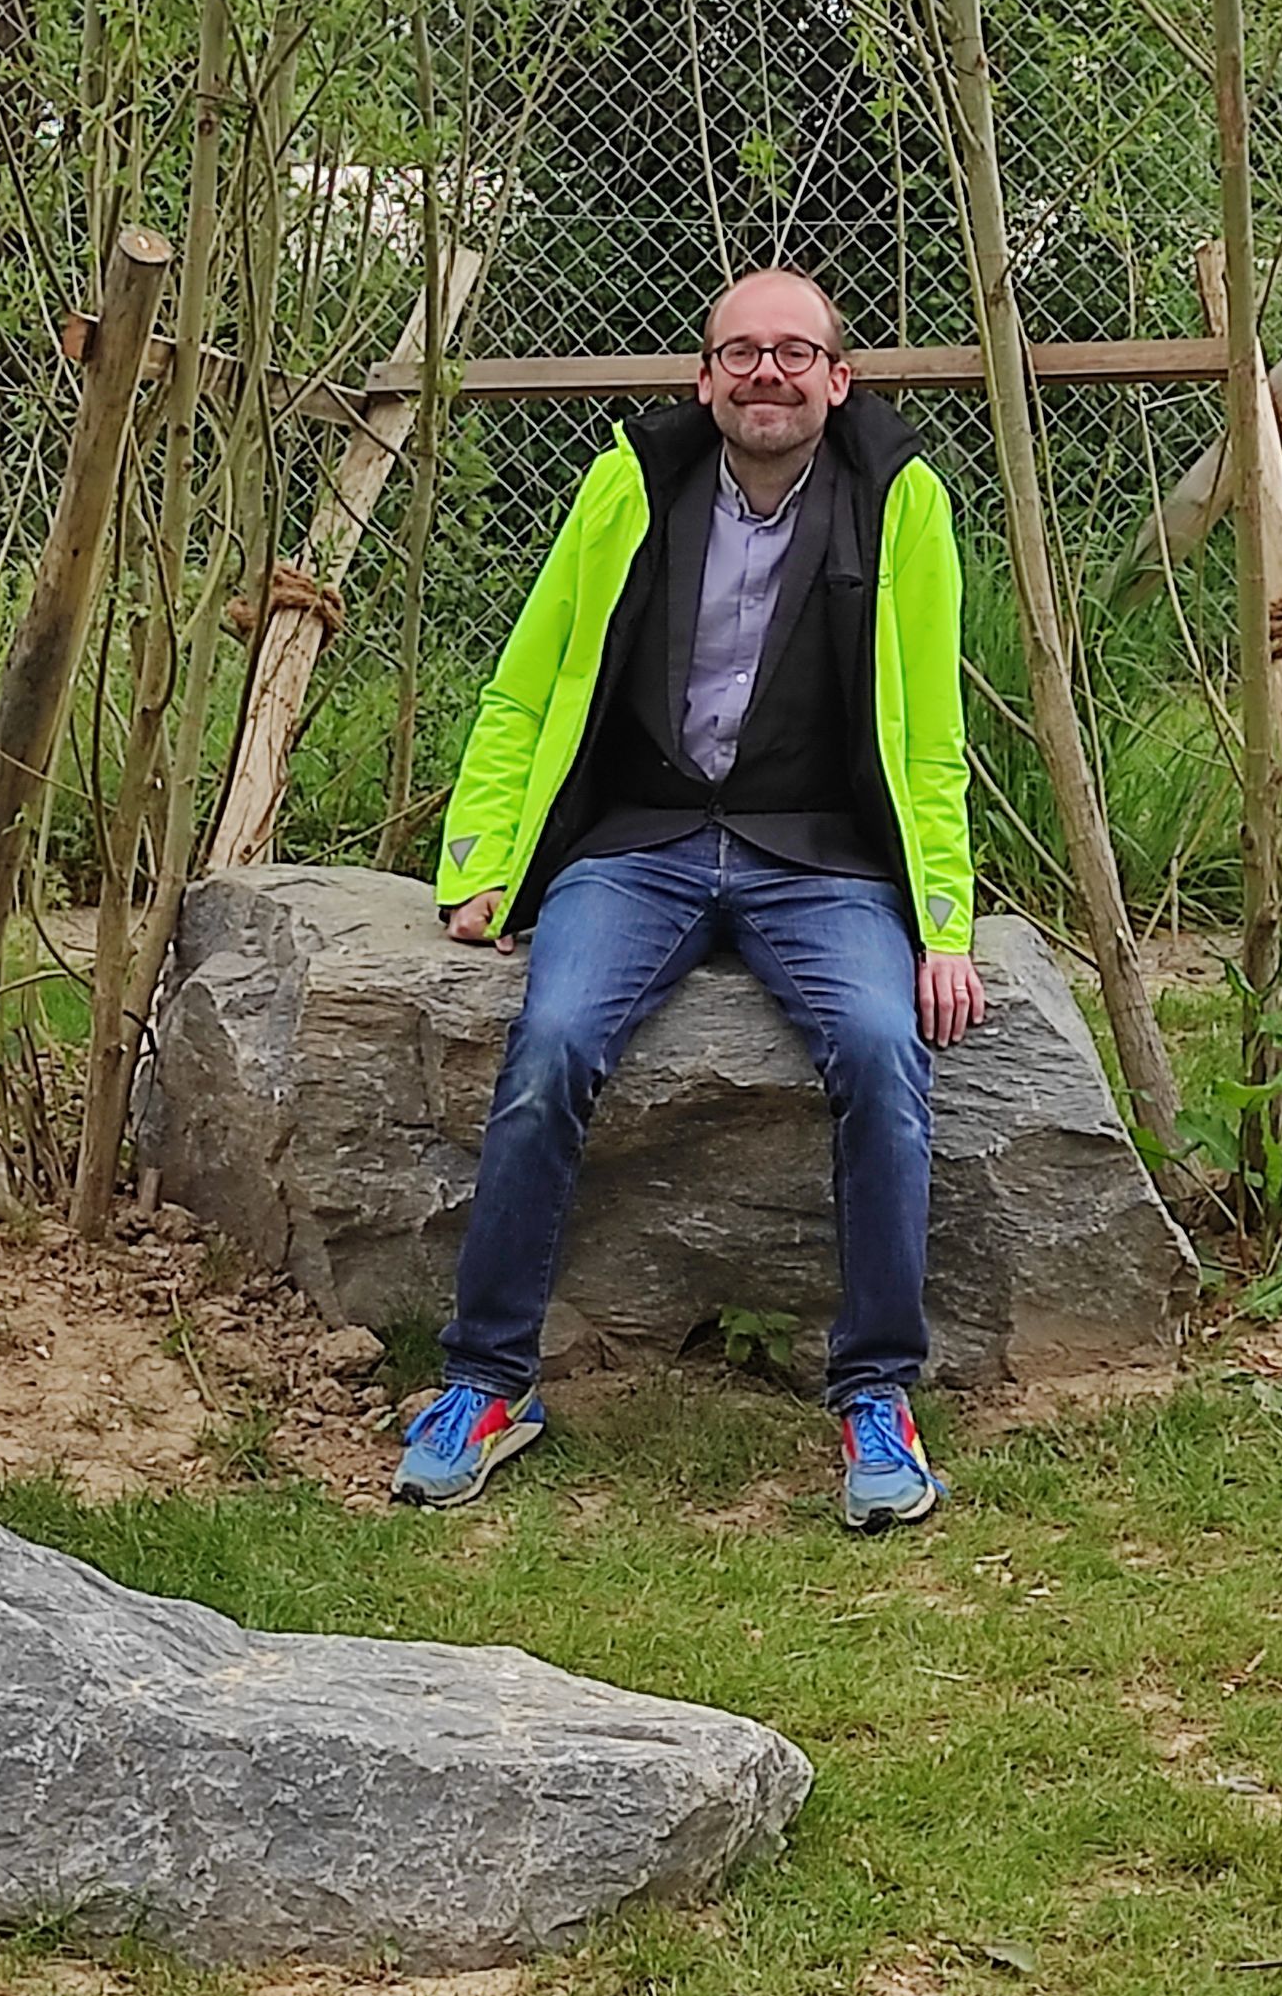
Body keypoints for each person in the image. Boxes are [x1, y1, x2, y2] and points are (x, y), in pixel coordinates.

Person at [393, 266, 984, 1530]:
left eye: (795, 352)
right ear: (704, 377)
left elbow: (930, 735)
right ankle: (488, 1382)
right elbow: (524, 685)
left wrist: (942, 926)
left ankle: (877, 1394)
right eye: (741, 352)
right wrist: (480, 862)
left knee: (884, 1048)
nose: (767, 373)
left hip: (819, 856)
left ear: (839, 378)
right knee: (553, 1043)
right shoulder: (630, 485)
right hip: (642, 839)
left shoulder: (899, 500)